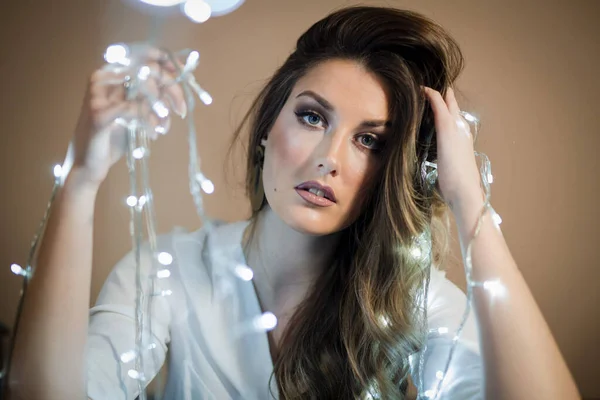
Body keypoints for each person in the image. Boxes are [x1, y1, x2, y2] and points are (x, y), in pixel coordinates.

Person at [7, 6, 580, 400]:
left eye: (370, 141)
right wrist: (82, 177)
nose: (329, 157)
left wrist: (467, 200)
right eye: (312, 116)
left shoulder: (411, 299)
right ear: (267, 128)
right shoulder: (171, 272)